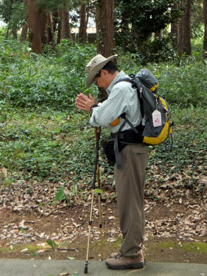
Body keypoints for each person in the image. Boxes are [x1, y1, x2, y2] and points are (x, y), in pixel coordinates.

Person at [75, 54, 148, 270]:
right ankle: (132, 249)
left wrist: (92, 109)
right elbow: (112, 115)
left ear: (104, 73)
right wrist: (98, 107)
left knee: (130, 202)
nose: (98, 84)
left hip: (130, 151)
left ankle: (132, 254)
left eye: (97, 80)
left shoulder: (120, 89)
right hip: (133, 151)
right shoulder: (126, 86)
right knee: (132, 200)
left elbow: (102, 118)